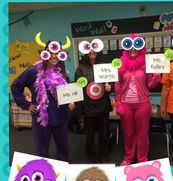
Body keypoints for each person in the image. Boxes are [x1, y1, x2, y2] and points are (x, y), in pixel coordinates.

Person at [11, 32, 74, 162]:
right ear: (45, 54)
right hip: (41, 118)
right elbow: (15, 86)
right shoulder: (33, 71)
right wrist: (26, 105)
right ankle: (46, 174)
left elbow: (65, 94)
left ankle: (62, 174)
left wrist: (70, 103)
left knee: (64, 148)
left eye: (58, 53)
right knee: (42, 150)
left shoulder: (63, 74)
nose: (54, 56)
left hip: (60, 117)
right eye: (51, 52)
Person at [115, 33, 161, 166]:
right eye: (130, 46)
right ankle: (129, 157)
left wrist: (156, 78)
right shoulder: (120, 64)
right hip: (126, 104)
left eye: (136, 46)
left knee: (142, 134)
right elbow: (117, 85)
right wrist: (118, 102)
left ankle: (142, 159)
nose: (133, 49)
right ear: (126, 47)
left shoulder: (146, 64)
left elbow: (149, 85)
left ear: (140, 47)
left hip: (142, 104)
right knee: (128, 133)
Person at [74, 38, 113, 163]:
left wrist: (109, 87)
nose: (92, 53)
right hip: (88, 107)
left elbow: (111, 83)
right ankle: (91, 157)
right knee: (89, 136)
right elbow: (77, 88)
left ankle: (104, 156)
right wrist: (78, 110)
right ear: (86, 53)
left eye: (94, 50)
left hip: (102, 106)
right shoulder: (80, 69)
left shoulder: (104, 66)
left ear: (97, 52)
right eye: (89, 51)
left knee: (103, 134)